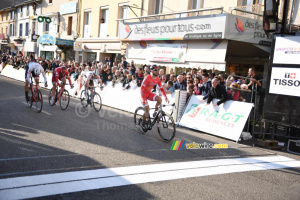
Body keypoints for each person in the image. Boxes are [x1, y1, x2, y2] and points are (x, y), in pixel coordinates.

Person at [140, 65, 169, 132]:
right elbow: (142, 88)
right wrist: (144, 99)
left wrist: (165, 97)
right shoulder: (147, 77)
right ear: (151, 70)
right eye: (155, 70)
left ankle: (156, 109)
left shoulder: (157, 79)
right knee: (147, 109)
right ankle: (143, 122)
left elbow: (161, 89)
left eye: (157, 70)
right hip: (143, 94)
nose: (157, 71)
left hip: (149, 93)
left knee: (159, 99)